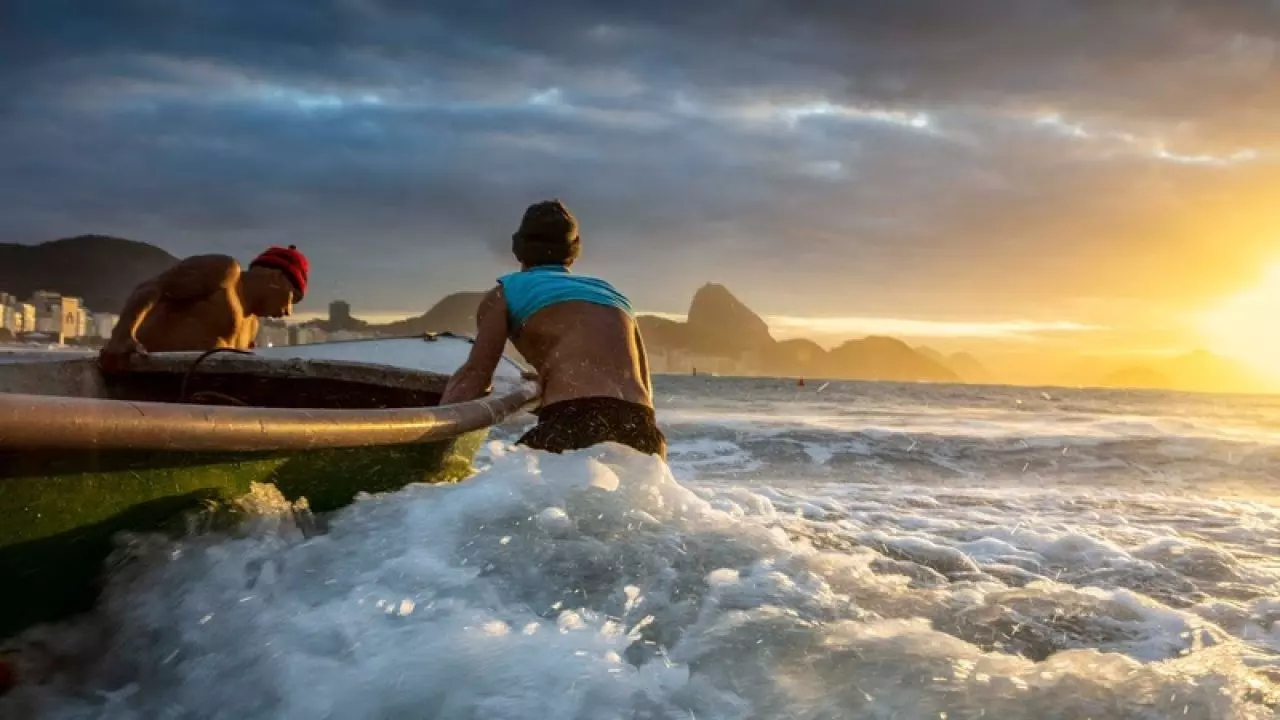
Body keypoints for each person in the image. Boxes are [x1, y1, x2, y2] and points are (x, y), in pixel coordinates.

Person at [441, 199, 666, 459]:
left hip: (574, 421)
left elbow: (476, 375)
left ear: (518, 249)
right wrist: (550, 381)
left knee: (503, 491)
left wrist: (434, 429)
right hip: (644, 432)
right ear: (572, 252)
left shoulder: (508, 291)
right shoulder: (612, 294)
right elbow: (642, 386)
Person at [98, 245, 309, 372]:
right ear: (276, 278)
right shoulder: (225, 274)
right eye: (293, 298)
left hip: (191, 400)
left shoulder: (251, 326)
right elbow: (153, 287)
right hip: (141, 382)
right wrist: (122, 336)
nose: (288, 311)